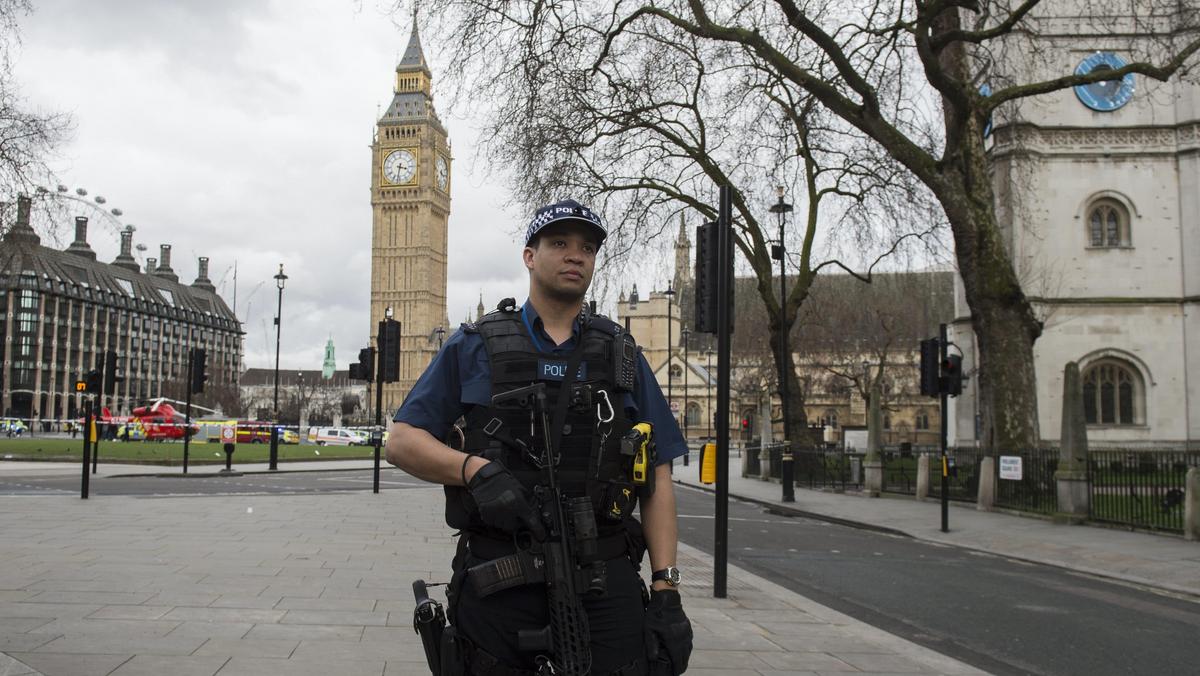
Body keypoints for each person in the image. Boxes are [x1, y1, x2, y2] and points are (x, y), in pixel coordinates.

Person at [387, 199, 693, 676]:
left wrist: (666, 588)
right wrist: (473, 469)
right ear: (530, 256)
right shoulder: (475, 345)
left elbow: (657, 476)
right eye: (560, 243)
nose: (576, 256)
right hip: (500, 580)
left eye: (587, 248)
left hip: (604, 579)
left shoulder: (622, 354)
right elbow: (401, 440)